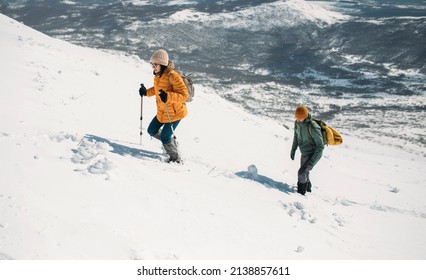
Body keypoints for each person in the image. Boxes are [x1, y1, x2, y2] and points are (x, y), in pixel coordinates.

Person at [139, 49, 189, 163]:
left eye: (155, 64)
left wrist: (168, 96)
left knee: (165, 137)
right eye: (152, 64)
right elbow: (157, 90)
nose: (153, 67)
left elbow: (184, 95)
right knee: (151, 130)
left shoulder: (173, 76)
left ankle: (176, 159)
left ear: (162, 64)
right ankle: (170, 143)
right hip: (162, 111)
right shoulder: (158, 75)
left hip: (175, 113)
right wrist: (146, 92)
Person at [290, 105, 324, 195]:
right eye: (296, 117)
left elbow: (320, 147)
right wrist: (293, 150)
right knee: (305, 174)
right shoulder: (297, 123)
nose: (297, 119)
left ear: (305, 117)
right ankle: (308, 191)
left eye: (299, 118)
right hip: (304, 152)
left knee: (301, 173)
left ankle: (301, 193)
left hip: (313, 154)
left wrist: (312, 163)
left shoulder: (312, 127)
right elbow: (296, 136)